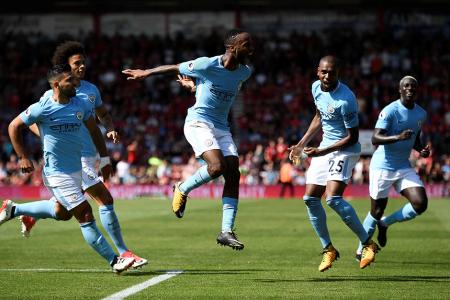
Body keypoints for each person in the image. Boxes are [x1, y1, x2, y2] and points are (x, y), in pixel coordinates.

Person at [122, 29, 254, 250]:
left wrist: (195, 87)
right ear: (233, 47)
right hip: (198, 122)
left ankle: (226, 231)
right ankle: (182, 188)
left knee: (233, 173)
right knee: (217, 167)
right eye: (247, 45)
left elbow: (213, 90)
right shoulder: (206, 64)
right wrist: (146, 72)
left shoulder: (244, 73)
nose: (252, 49)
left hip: (221, 127)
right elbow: (175, 67)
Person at [20, 41, 147, 269]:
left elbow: (103, 115)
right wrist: (50, 138)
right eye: (76, 63)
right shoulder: (52, 95)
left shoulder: (90, 90)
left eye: (83, 63)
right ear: (65, 68)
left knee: (63, 212)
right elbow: (31, 121)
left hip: (89, 156)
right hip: (74, 159)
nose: (81, 67)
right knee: (104, 200)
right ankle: (123, 253)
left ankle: (25, 212)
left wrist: (109, 128)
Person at [1, 64, 134, 274]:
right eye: (69, 81)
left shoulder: (79, 104)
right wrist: (23, 157)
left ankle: (14, 210)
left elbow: (93, 129)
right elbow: (14, 126)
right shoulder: (43, 107)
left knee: (61, 213)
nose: (75, 83)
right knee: (86, 214)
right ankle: (114, 260)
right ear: (57, 85)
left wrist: (105, 157)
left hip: (79, 168)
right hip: (57, 173)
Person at [288, 56, 379, 271]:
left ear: (339, 73)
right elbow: (319, 116)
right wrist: (302, 144)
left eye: (332, 72)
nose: (328, 76)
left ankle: (368, 244)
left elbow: (353, 137)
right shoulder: (315, 88)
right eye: (324, 72)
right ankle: (328, 249)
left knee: (333, 199)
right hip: (325, 147)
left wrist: (322, 151)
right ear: (317, 71)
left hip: (345, 150)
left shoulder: (346, 99)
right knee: (310, 198)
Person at [355, 76, 429, 259]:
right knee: (376, 210)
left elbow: (415, 139)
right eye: (406, 86)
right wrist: (397, 137)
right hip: (383, 166)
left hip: (403, 165)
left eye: (413, 86)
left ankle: (385, 223)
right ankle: (361, 248)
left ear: (416, 90)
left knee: (420, 203)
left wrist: (421, 150)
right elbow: (375, 138)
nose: (410, 88)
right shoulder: (390, 111)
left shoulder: (421, 114)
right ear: (400, 90)